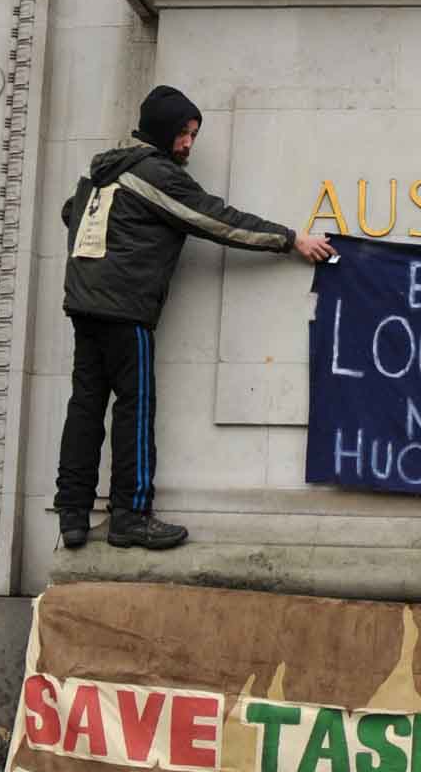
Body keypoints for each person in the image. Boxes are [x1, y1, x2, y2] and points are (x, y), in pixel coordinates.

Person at [55, 84, 335, 552]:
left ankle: (73, 513)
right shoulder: (155, 174)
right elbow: (216, 220)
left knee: (85, 406)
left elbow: (71, 214)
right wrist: (290, 239)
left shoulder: (103, 169)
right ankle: (131, 515)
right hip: (125, 308)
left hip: (84, 301)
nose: (188, 144)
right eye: (184, 134)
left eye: (193, 135)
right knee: (135, 409)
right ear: (164, 132)